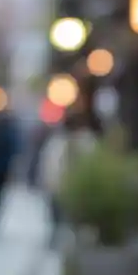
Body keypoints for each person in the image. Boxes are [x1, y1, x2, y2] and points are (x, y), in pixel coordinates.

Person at [37, 106, 98, 247]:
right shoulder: (60, 142)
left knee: (70, 219)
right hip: (60, 187)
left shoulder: (83, 142)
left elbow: (49, 165)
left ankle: (68, 241)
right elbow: (50, 166)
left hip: (71, 188)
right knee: (59, 217)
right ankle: (60, 239)